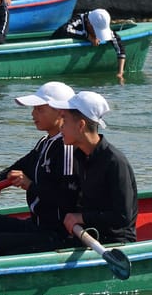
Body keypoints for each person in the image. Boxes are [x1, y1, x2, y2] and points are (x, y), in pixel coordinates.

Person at [0, 81, 78, 256]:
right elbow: (21, 165)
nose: (33, 114)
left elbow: (68, 198)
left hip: (57, 234)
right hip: (36, 225)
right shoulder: (45, 142)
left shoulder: (67, 148)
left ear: (61, 112)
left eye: (40, 109)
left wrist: (30, 185)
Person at [49, 90, 138, 244]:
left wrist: (81, 217)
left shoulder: (115, 162)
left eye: (65, 119)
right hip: (87, 234)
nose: (61, 126)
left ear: (81, 125)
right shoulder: (80, 156)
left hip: (114, 242)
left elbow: (123, 217)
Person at [52, 8, 127, 80]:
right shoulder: (78, 19)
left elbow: (119, 46)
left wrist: (120, 73)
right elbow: (65, 30)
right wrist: (88, 36)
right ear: (89, 24)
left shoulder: (101, 23)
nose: (98, 35)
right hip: (55, 45)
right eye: (96, 31)